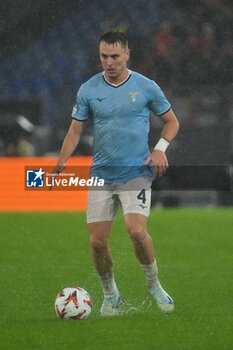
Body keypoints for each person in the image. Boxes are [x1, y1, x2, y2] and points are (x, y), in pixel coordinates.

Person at [54, 31, 179, 316]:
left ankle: (153, 283)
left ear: (127, 55)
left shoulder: (146, 87)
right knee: (97, 242)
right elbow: (76, 129)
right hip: (101, 174)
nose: (108, 62)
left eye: (114, 56)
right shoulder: (88, 89)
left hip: (136, 170)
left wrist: (160, 149)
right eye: (103, 56)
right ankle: (111, 295)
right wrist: (62, 160)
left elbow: (172, 122)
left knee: (136, 231)